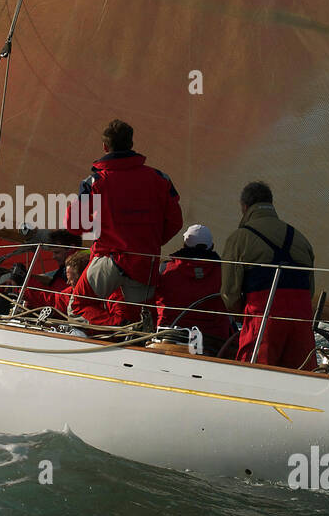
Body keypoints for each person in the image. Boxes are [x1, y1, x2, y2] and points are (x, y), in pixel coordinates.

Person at [64, 119, 182, 318]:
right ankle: (126, 335)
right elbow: (175, 222)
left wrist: (98, 223)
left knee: (76, 308)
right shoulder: (160, 179)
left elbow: (74, 225)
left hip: (110, 259)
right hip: (145, 262)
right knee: (139, 321)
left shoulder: (95, 182)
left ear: (105, 146)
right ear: (131, 144)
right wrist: (149, 241)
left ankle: (114, 328)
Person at [220, 182, 316, 369]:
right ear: (271, 204)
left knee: (256, 374)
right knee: (302, 376)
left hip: (264, 316)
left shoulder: (240, 238)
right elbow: (310, 289)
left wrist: (241, 315)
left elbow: (229, 293)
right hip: (301, 318)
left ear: (244, 207)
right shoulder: (300, 237)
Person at [153, 224, 233, 352]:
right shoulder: (225, 273)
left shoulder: (165, 269)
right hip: (214, 341)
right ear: (212, 247)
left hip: (169, 336)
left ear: (184, 245)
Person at [60, 252, 128, 328]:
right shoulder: (68, 293)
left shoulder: (113, 293)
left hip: (115, 334)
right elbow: (55, 301)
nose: (68, 282)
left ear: (83, 279)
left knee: (74, 310)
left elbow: (121, 322)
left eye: (72, 279)